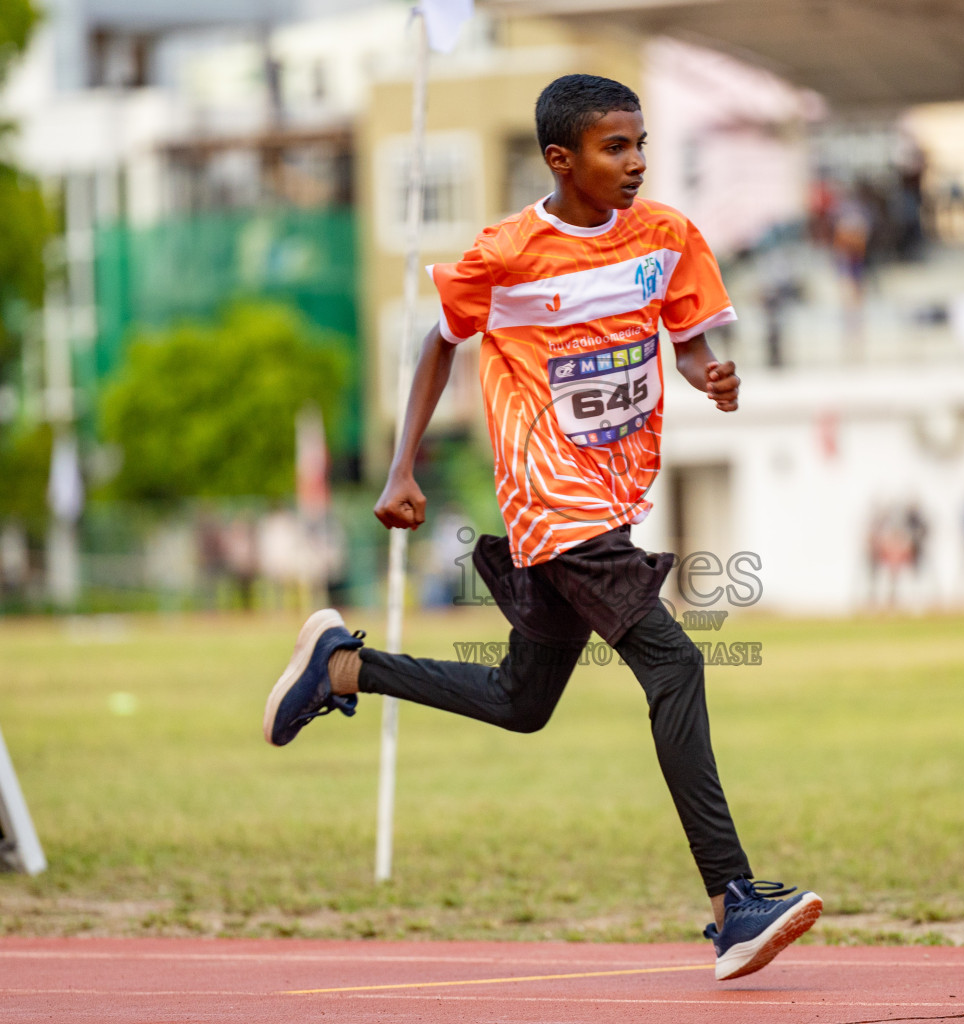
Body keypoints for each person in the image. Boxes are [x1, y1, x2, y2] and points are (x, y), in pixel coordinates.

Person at [261, 75, 821, 981]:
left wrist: (710, 373)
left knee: (524, 704)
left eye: (641, 144)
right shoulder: (510, 251)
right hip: (551, 497)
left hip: (610, 495)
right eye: (615, 148)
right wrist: (401, 467)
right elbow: (442, 338)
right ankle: (734, 902)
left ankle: (341, 667)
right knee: (675, 662)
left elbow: (684, 336)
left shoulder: (668, 235)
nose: (635, 162)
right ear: (561, 159)